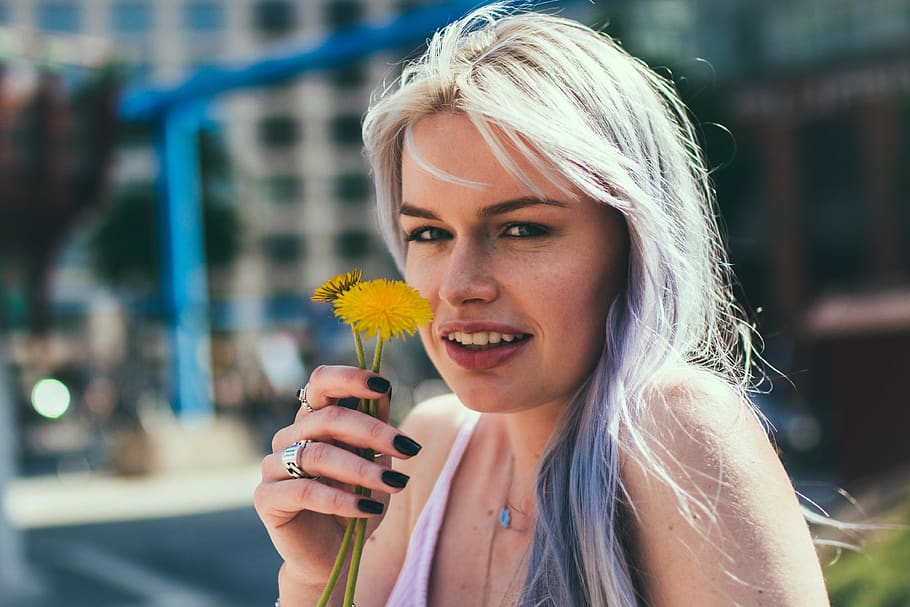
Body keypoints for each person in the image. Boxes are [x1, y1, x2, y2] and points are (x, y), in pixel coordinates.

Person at [254, 5, 830, 606]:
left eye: (522, 230)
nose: (458, 285)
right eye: (429, 234)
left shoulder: (677, 428)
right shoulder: (429, 445)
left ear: (633, 241)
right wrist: (317, 578)